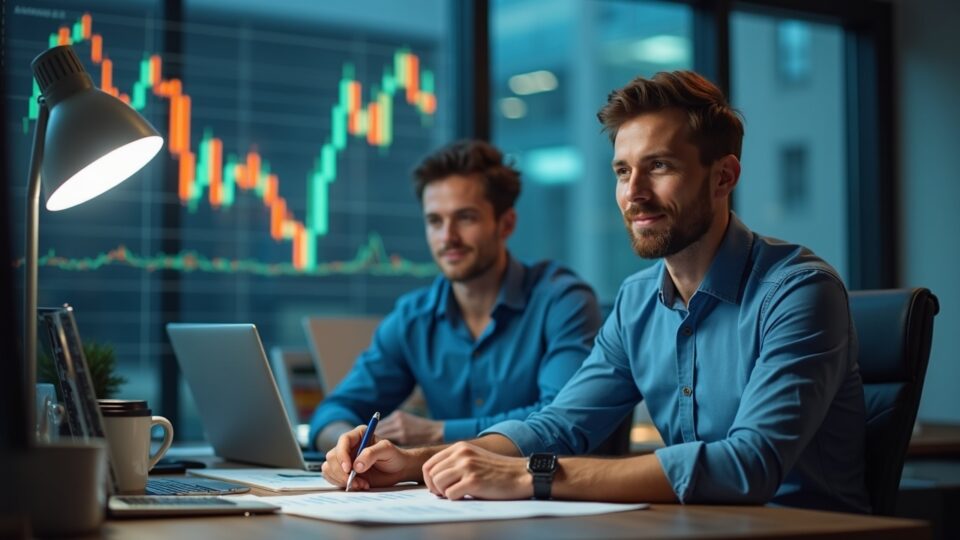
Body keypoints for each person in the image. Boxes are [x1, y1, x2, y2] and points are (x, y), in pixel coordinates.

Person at [321, 71, 871, 514]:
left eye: (659, 166)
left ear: (724, 176)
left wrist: (529, 476)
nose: (634, 194)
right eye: (622, 170)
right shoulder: (636, 301)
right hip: (696, 524)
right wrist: (416, 462)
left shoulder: (799, 291)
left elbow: (748, 465)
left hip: (807, 531)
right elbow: (561, 424)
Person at [308, 140, 602, 451]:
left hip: (547, 493)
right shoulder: (414, 317)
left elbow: (560, 418)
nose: (447, 237)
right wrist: (348, 444)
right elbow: (331, 413)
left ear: (506, 224)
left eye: (465, 218)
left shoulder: (562, 301)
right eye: (434, 221)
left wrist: (439, 432)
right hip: (450, 495)